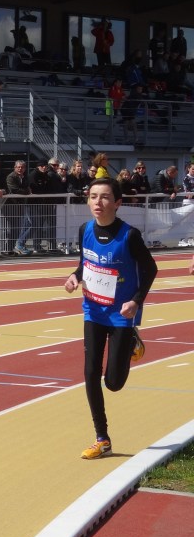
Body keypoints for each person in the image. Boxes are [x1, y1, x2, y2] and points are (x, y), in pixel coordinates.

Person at [64, 177, 158, 459]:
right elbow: (85, 263)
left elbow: (151, 269)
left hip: (121, 314)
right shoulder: (85, 230)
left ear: (117, 203)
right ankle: (102, 438)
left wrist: (136, 301)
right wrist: (74, 277)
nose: (98, 202)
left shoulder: (130, 236)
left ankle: (130, 343)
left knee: (113, 383)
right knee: (90, 373)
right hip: (93, 310)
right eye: (93, 196)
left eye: (105, 197)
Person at [6, 159, 33, 255]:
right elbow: (14, 190)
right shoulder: (11, 177)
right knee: (11, 228)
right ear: (15, 167)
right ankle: (9, 248)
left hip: (21, 205)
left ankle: (16, 247)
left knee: (19, 227)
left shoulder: (25, 177)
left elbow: (28, 187)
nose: (20, 169)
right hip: (11, 205)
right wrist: (26, 191)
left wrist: (26, 191)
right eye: (18, 167)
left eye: (22, 167)